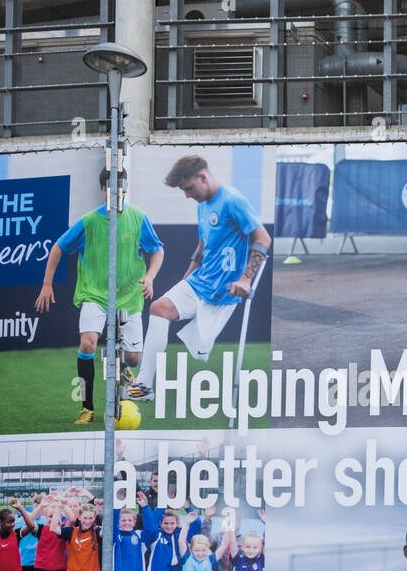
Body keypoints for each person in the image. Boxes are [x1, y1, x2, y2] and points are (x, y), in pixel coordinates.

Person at [129, 154, 272, 401]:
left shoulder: (233, 200)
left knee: (173, 322)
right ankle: (143, 386)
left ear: (203, 177)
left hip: (223, 289)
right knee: (159, 308)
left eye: (189, 188)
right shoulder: (203, 206)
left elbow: (263, 239)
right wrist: (185, 280)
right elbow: (203, 245)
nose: (187, 195)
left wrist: (246, 280)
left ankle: (144, 385)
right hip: (199, 281)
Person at [36, 167, 164, 424]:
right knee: (87, 344)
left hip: (129, 297)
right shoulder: (89, 222)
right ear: (102, 189)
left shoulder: (138, 218)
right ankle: (87, 407)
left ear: (124, 189)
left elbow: (157, 250)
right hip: (94, 295)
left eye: (120, 187)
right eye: (110, 187)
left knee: (133, 359)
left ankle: (123, 373)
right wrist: (47, 284)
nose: (115, 192)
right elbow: (58, 247)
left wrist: (149, 276)